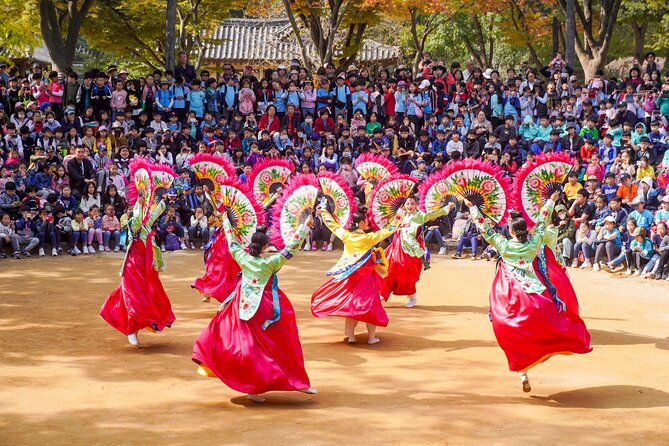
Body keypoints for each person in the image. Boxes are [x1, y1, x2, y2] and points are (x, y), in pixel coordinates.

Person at [465, 191, 591, 392]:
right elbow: (541, 221)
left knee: (510, 331)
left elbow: (484, 227)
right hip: (537, 293)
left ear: (512, 232)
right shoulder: (534, 243)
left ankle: (522, 371)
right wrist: (551, 200)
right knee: (547, 324)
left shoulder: (503, 245)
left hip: (512, 295)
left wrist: (472, 206)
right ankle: (542, 354)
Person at [192, 212, 317, 403]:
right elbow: (291, 247)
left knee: (249, 348)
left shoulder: (242, 257)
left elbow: (232, 241)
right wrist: (305, 226)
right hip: (266, 308)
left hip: (243, 306)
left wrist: (226, 222)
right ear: (265, 247)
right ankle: (296, 381)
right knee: (283, 343)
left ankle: (254, 389)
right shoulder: (270, 262)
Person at [311, 207, 402, 344]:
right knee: (371, 304)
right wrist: (399, 215)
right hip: (366, 277)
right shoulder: (369, 238)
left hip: (351, 277)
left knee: (352, 304)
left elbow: (332, 225)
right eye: (366, 221)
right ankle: (372, 337)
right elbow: (389, 230)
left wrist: (324, 211)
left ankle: (352, 337)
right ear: (360, 223)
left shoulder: (347, 236)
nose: (368, 223)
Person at [99, 191, 174, 347]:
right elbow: (138, 218)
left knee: (147, 295)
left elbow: (155, 213)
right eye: (141, 207)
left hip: (146, 267)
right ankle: (132, 330)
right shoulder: (133, 224)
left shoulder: (146, 225)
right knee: (134, 298)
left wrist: (163, 200)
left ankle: (136, 326)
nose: (145, 211)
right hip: (133, 267)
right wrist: (139, 203)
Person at [381, 198, 455, 307]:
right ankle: (384, 293)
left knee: (407, 274)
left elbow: (431, 214)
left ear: (416, 205)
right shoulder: (401, 215)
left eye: (412, 203)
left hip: (411, 250)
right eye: (407, 203)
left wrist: (447, 208)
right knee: (389, 269)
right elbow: (391, 227)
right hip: (396, 247)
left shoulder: (419, 216)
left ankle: (412, 296)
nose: (409, 206)